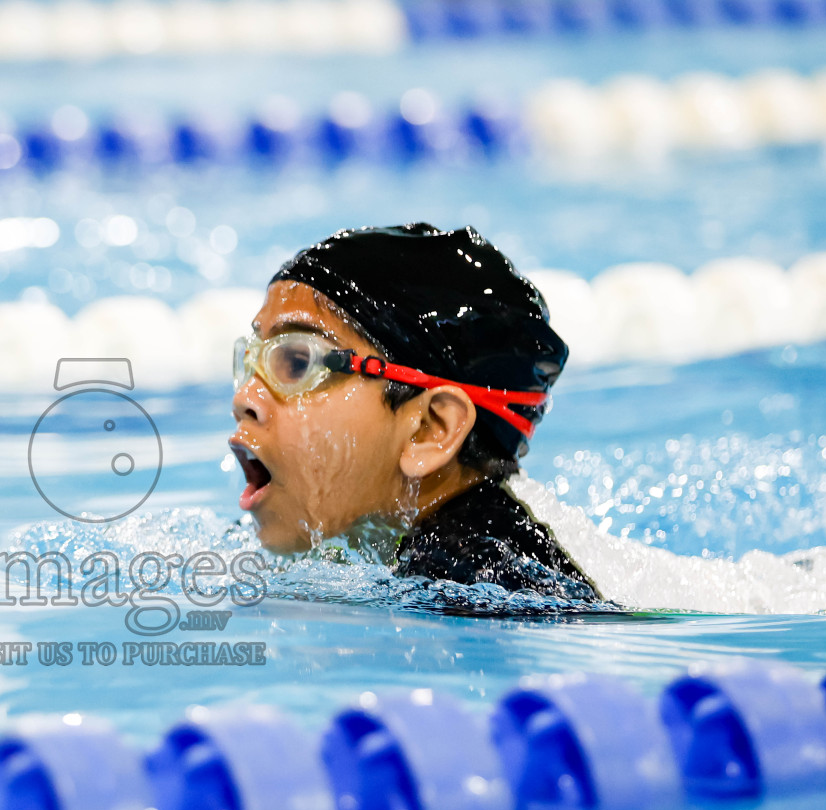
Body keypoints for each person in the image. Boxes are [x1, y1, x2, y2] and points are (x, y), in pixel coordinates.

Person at [228, 222, 600, 601]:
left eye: (296, 363)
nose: (244, 398)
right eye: (251, 361)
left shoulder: (480, 582)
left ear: (430, 429)